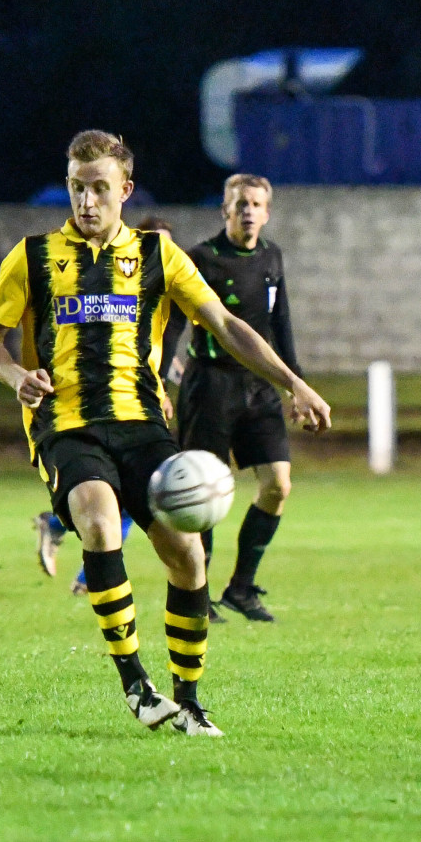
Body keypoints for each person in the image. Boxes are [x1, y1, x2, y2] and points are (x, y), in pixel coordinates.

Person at [0, 130, 330, 737]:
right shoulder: (31, 257)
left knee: (188, 554)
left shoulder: (160, 257)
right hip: (66, 423)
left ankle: (189, 701)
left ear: (125, 190)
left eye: (100, 189)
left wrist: (295, 383)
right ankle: (136, 685)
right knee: (97, 516)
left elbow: (227, 325)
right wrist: (14, 376)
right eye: (77, 188)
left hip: (142, 424)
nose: (87, 202)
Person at [161, 174, 302, 624]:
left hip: (259, 389)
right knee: (203, 496)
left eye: (256, 204)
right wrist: (161, 379)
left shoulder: (272, 256)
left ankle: (241, 588)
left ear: (266, 211)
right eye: (240, 203)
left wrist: (296, 384)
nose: (248, 210)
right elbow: (175, 325)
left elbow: (281, 323)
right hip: (210, 388)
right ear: (225, 209)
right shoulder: (201, 257)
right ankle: (197, 595)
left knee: (278, 485)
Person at [37, 216, 175, 594]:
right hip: (90, 413)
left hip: (143, 409)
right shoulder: (110, 288)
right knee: (114, 499)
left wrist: (160, 390)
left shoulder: (168, 297)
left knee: (128, 500)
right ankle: (81, 565)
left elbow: (152, 355)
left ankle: (58, 530)